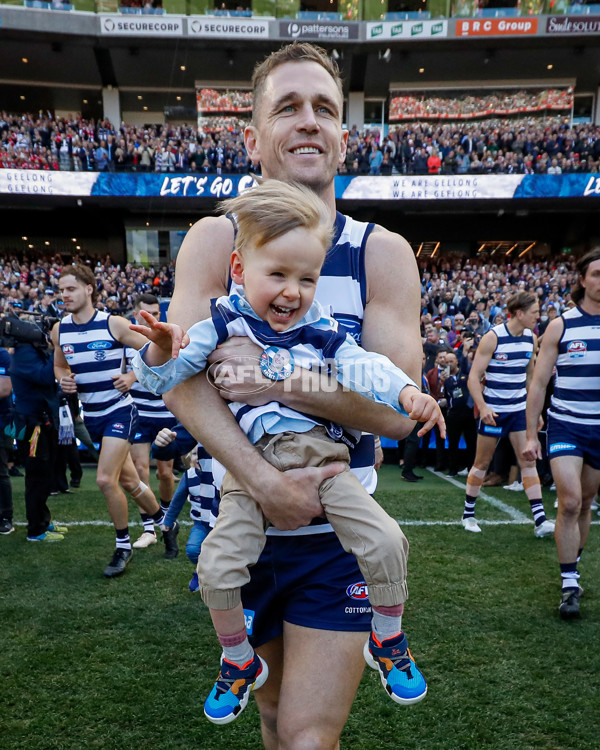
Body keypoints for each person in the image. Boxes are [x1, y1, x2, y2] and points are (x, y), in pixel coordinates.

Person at [161, 42, 425, 749]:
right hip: (240, 520)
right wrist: (262, 481)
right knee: (275, 723)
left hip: (332, 535)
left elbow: (400, 415)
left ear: (345, 134)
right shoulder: (216, 239)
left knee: (310, 733)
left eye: (324, 109)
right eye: (288, 107)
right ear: (253, 136)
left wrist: (280, 381)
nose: (309, 121)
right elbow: (185, 384)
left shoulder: (381, 252)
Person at [133, 179, 442, 724]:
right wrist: (161, 346)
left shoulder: (319, 328)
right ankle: (237, 659)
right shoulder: (220, 323)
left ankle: (387, 640)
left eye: (308, 278)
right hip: (247, 475)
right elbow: (171, 378)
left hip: (322, 461)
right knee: (217, 567)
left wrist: (406, 391)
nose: (293, 292)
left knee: (388, 540)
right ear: (239, 270)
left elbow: (362, 365)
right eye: (278, 275)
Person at [51, 264, 169, 577]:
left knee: (105, 479)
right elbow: (60, 367)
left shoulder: (112, 324)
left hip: (119, 410)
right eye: (61, 290)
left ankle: (123, 546)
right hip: (90, 416)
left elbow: (156, 349)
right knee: (130, 481)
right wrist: (63, 380)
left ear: (89, 288)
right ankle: (165, 523)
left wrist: (132, 375)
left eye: (71, 288)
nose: (64, 295)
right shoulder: (59, 329)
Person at [523, 248, 600, 619]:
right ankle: (569, 585)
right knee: (569, 501)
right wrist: (530, 434)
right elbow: (538, 385)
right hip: (567, 423)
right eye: (596, 274)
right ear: (582, 280)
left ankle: (574, 565)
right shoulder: (561, 325)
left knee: (586, 503)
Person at [463, 291, 555, 537]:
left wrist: (534, 412)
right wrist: (483, 407)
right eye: (535, 312)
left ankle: (540, 520)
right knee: (482, 463)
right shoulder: (493, 338)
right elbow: (473, 378)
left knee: (528, 462)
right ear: (520, 313)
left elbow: (529, 377)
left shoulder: (531, 338)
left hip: (518, 412)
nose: (539, 316)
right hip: (493, 411)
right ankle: (468, 515)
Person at [122, 294, 179, 557]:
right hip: (139, 412)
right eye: (146, 312)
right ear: (136, 313)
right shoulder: (125, 341)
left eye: (156, 312)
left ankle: (166, 520)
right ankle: (149, 529)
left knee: (165, 474)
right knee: (141, 469)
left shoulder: (167, 337)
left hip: (165, 413)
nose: (152, 317)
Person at [9, 329, 66, 541]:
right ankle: (36, 530)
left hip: (41, 420)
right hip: (31, 424)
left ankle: (43, 520)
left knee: (46, 473)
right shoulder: (24, 353)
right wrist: (57, 349)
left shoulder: (32, 350)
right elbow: (44, 376)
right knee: (36, 475)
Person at [0, 346, 14, 535]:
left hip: (2, 421)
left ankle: (5, 517)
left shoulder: (2, 355)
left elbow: (4, 388)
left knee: (0, 471)